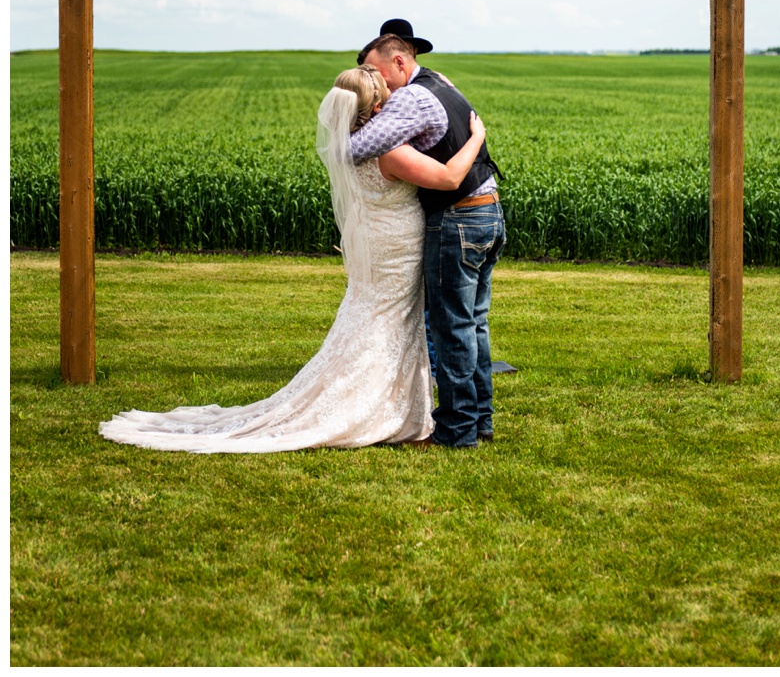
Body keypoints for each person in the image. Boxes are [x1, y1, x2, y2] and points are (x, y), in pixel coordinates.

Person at [98, 65, 486, 454]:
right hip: (396, 246)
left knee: (374, 314)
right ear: (380, 103)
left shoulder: (350, 148)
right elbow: (450, 177)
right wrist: (475, 138)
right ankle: (381, 407)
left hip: (376, 241)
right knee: (393, 318)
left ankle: (393, 404)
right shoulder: (391, 152)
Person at [350, 28, 505, 449]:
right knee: (474, 324)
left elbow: (359, 146)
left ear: (400, 62)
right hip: (489, 209)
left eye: (378, 73)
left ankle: (456, 431)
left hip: (456, 219)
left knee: (451, 328)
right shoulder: (439, 82)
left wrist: (350, 121)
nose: (378, 82)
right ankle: (481, 420)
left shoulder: (410, 98)